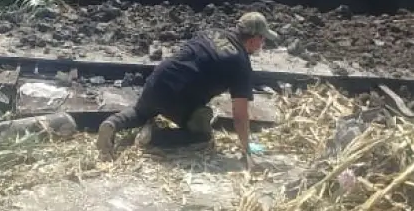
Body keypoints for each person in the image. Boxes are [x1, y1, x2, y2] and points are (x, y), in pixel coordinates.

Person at [96, 12, 278, 163]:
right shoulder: (240, 63)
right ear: (254, 39)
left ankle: (113, 123)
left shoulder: (213, 32)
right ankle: (154, 137)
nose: (263, 45)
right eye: (263, 40)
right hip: (179, 96)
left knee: (141, 111)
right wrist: (246, 148)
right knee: (202, 136)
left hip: (159, 77)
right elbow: (239, 115)